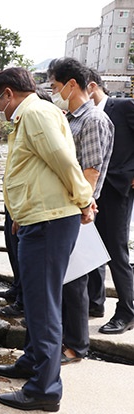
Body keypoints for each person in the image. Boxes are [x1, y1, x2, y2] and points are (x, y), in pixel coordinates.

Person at [0, 67, 95, 412]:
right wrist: (20, 213)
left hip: (50, 222)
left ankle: (44, 390)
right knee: (37, 303)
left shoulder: (34, 113)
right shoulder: (33, 115)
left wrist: (84, 199)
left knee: (44, 308)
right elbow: (37, 171)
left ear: (8, 93)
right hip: (38, 218)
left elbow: (64, 160)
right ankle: (33, 363)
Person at [47, 58, 114, 363]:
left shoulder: (93, 121)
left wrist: (82, 208)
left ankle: (77, 346)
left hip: (77, 212)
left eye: (56, 86)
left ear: (72, 84)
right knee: (65, 280)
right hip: (66, 209)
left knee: (75, 282)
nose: (54, 92)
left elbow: (90, 172)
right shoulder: (71, 117)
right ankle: (64, 339)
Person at [0, 87, 53, 319]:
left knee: (28, 259)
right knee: (14, 248)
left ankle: (24, 303)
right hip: (16, 203)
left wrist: (84, 200)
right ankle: (18, 289)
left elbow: (63, 165)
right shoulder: (20, 127)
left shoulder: (39, 121)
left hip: (33, 207)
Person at [86, 68, 134, 334]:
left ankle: (127, 311)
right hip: (94, 191)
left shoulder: (124, 106)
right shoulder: (84, 116)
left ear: (91, 86)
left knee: (117, 252)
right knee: (93, 248)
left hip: (118, 189)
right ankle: (95, 302)